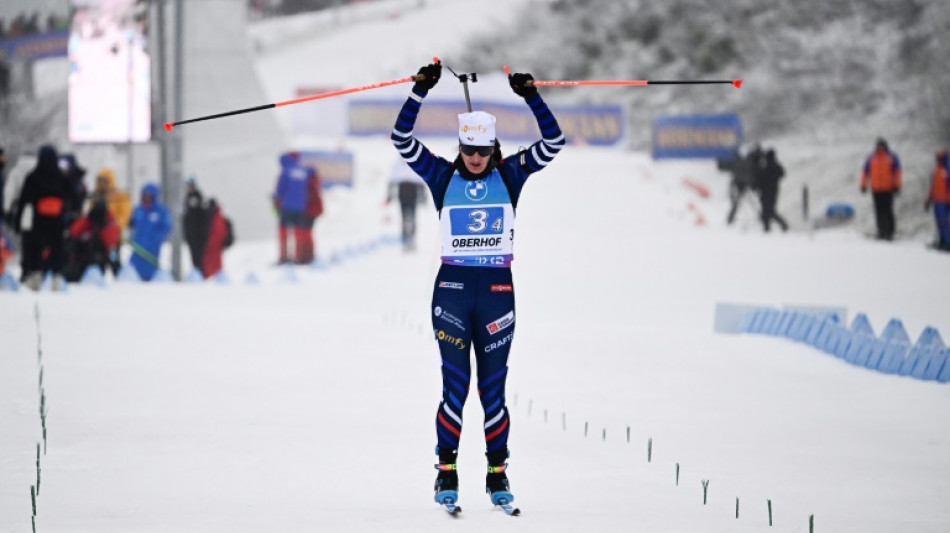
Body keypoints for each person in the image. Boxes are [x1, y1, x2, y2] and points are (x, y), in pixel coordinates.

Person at [391, 61, 565, 510]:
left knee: (493, 392)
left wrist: (531, 96)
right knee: (455, 388)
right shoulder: (441, 176)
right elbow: (402, 139)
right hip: (451, 294)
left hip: (497, 297)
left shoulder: (510, 174)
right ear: (461, 146)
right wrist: (419, 91)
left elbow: (554, 142)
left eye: (482, 150)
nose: (474, 157)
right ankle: (446, 472)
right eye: (468, 149)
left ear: (493, 148)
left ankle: (497, 474)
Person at [11, 145, 72, 290]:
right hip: (57, 220)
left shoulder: (33, 177)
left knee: (35, 247)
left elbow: (23, 201)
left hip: (38, 220)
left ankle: (36, 276)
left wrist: (17, 223)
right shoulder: (61, 177)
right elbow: (73, 198)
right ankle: (56, 278)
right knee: (57, 248)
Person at [273, 152, 319, 264]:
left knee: (284, 232)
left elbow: (280, 191)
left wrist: (276, 201)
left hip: (287, 207)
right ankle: (300, 256)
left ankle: (284, 257)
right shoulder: (304, 171)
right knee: (299, 232)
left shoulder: (285, 172)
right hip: (301, 208)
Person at [63, 199, 120, 282]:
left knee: (108, 255)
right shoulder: (89, 220)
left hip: (98, 260)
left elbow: (112, 248)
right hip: (82, 257)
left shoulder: (109, 224)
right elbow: (73, 232)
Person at [860, 138, 902, 240]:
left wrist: (897, 185)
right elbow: (865, 172)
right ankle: (881, 231)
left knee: (888, 210)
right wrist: (863, 185)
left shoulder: (892, 157)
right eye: (879, 146)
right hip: (876, 189)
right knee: (879, 211)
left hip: (888, 189)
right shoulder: (871, 157)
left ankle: (890, 232)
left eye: (881, 146)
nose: (880, 148)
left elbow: (897, 172)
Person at [128, 183, 171, 281]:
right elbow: (131, 224)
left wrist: (157, 238)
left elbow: (166, 227)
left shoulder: (161, 211)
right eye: (144, 195)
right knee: (134, 269)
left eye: (149, 196)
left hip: (152, 248)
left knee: (150, 269)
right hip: (138, 247)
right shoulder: (138, 210)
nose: (146, 198)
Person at [387, 157, 427, 251]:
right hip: (403, 193)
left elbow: (421, 181)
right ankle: (405, 239)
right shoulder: (398, 163)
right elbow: (392, 179)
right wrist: (389, 196)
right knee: (404, 217)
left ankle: (412, 239)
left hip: (413, 192)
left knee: (412, 216)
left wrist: (423, 197)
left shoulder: (415, 162)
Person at [757, 149, 789, 232]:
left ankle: (776, 226)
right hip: (773, 190)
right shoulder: (775, 165)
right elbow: (782, 173)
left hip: (765, 191)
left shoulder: (765, 166)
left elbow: (760, 179)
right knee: (769, 210)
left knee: (768, 210)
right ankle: (769, 227)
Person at [924, 149, 949, 250]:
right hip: (936, 201)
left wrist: (948, 200)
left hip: (944, 202)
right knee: (939, 222)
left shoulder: (948, 170)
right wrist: (928, 200)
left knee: (945, 222)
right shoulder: (936, 171)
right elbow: (932, 187)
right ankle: (941, 240)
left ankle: (948, 242)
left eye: (940, 157)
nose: (938, 159)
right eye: (937, 157)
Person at [182, 177, 209, 273]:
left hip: (197, 235)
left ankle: (199, 274)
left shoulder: (195, 198)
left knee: (198, 258)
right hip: (192, 234)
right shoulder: (189, 198)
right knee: (194, 258)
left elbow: (195, 216)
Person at [201, 198, 230, 278]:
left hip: (213, 248)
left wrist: (209, 243)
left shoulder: (216, 218)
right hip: (212, 248)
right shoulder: (213, 217)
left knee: (214, 266)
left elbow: (219, 233)